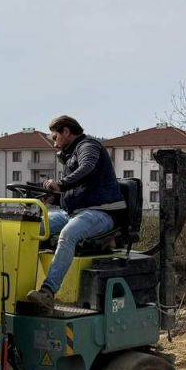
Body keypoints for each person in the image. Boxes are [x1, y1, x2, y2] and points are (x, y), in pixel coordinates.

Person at [24, 115, 125, 313]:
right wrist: (53, 197)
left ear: (66, 132)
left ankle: (47, 292)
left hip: (101, 214)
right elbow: (78, 192)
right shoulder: (70, 155)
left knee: (68, 233)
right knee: (30, 228)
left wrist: (60, 184)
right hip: (74, 213)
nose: (54, 144)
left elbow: (87, 167)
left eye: (55, 137)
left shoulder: (88, 147)